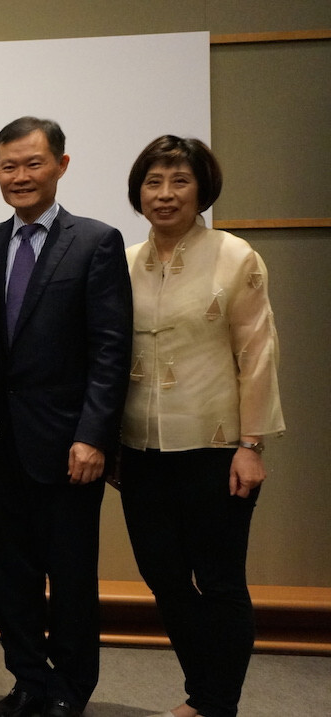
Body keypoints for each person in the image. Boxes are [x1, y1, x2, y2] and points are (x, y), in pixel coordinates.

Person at [120, 136, 283, 717]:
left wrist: (252, 445)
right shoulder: (126, 261)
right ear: (139, 190)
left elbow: (258, 354)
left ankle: (214, 704)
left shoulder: (236, 256)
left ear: (201, 189)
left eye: (179, 181)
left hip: (217, 449)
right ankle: (207, 694)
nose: (165, 195)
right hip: (139, 451)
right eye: (154, 182)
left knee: (219, 581)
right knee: (162, 577)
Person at [0, 117, 133, 717]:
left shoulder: (95, 241)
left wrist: (94, 435)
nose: (20, 176)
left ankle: (70, 689)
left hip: (69, 447)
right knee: (10, 576)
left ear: (61, 166)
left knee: (70, 580)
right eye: (8, 166)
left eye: (33, 163)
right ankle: (27, 682)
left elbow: (111, 349)